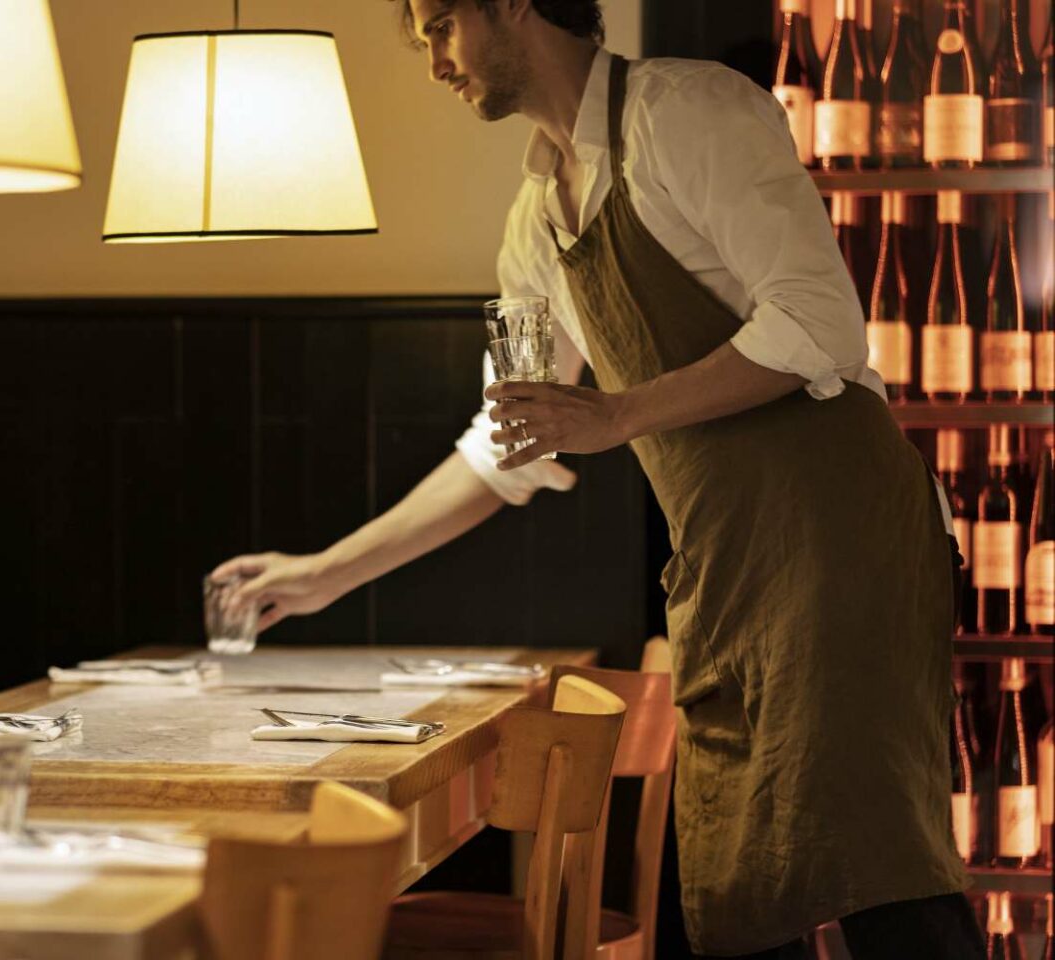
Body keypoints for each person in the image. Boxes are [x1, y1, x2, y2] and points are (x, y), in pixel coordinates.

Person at [211, 2, 983, 957]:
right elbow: (509, 446)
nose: (433, 64)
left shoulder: (690, 113)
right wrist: (323, 572)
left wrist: (618, 413)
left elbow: (820, 324)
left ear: (515, 6)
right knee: (740, 889)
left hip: (845, 538)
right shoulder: (537, 221)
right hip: (723, 565)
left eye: (441, 25)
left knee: (885, 869)